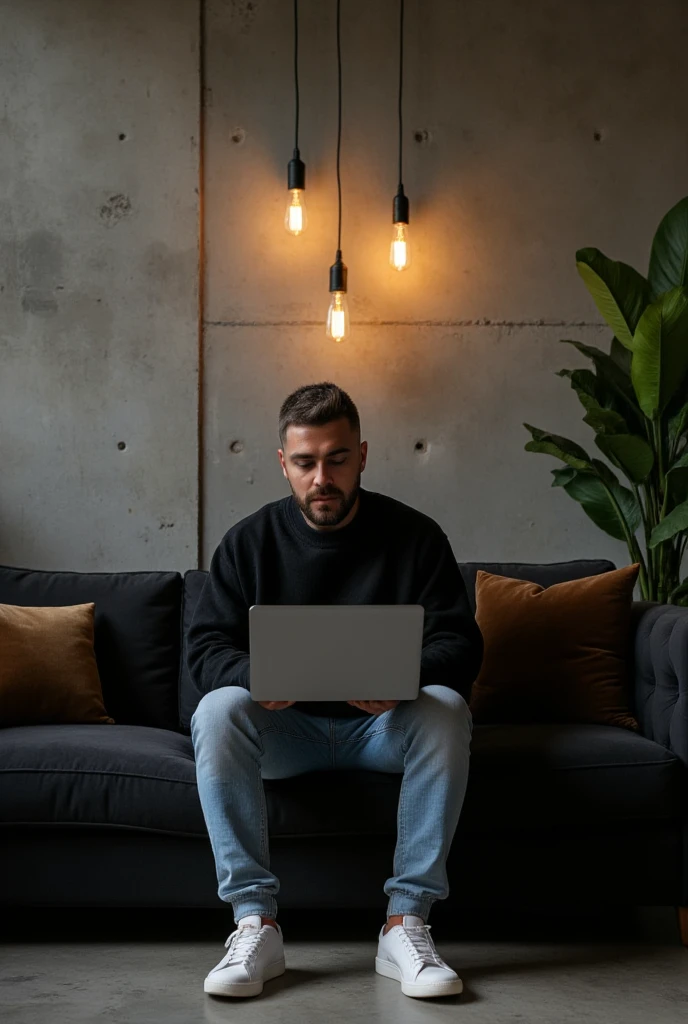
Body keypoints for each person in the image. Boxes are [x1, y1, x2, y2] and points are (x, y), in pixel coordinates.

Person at [187, 381, 483, 1000]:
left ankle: (407, 921)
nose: (322, 477)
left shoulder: (417, 536)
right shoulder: (247, 542)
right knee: (218, 708)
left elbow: (461, 645)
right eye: (305, 462)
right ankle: (254, 921)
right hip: (282, 735)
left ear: (363, 455)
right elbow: (206, 653)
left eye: (337, 458)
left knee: (446, 708)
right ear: (283, 464)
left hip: (383, 731)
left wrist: (402, 680)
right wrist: (257, 680)